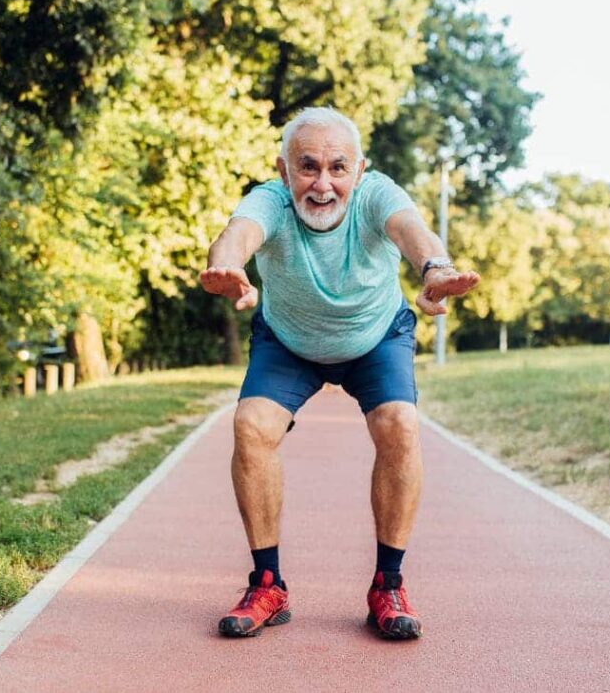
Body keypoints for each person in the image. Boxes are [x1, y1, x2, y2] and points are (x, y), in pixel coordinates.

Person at [200, 106, 480, 640]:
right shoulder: (270, 200)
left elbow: (412, 231)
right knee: (251, 427)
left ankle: (388, 585)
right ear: (284, 172)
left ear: (359, 169)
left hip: (374, 337)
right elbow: (237, 234)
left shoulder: (377, 194)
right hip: (290, 340)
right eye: (307, 167)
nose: (322, 184)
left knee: (400, 424)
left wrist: (436, 270)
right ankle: (267, 584)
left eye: (337, 168)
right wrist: (229, 266)